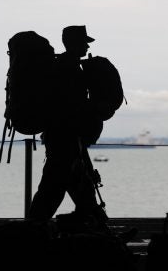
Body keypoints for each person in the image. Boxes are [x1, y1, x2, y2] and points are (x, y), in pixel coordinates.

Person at [28, 25, 105, 228]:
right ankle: (32, 229)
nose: (87, 46)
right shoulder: (67, 68)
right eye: (84, 42)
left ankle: (100, 230)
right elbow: (70, 105)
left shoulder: (66, 65)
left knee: (83, 187)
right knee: (53, 188)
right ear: (72, 43)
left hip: (66, 136)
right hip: (65, 137)